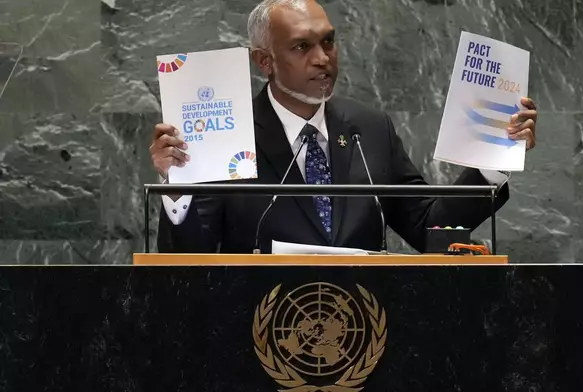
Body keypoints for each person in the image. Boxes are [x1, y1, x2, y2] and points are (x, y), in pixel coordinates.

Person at [150, 0, 538, 254]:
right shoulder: (227, 135)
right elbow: (188, 260)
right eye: (303, 47)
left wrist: (493, 159)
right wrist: (177, 187)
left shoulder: (370, 128)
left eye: (329, 42)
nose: (323, 59)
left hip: (364, 337)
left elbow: (428, 225)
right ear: (264, 61)